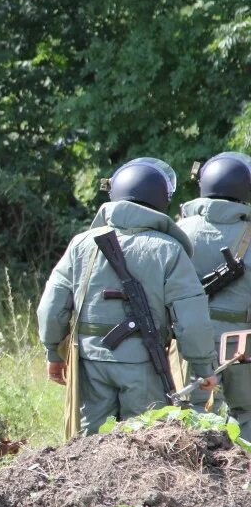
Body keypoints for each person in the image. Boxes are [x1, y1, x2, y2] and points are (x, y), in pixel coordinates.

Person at [37, 158, 217, 435]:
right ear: (161, 200)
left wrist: (53, 352)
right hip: (144, 364)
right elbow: (191, 320)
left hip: (90, 362)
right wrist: (204, 367)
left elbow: (52, 305)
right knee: (145, 447)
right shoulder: (169, 250)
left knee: (88, 449)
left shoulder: (81, 244)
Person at [177, 152, 251, 435]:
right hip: (242, 341)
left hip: (189, 338)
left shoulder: (180, 230)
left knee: (194, 415)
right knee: (246, 415)